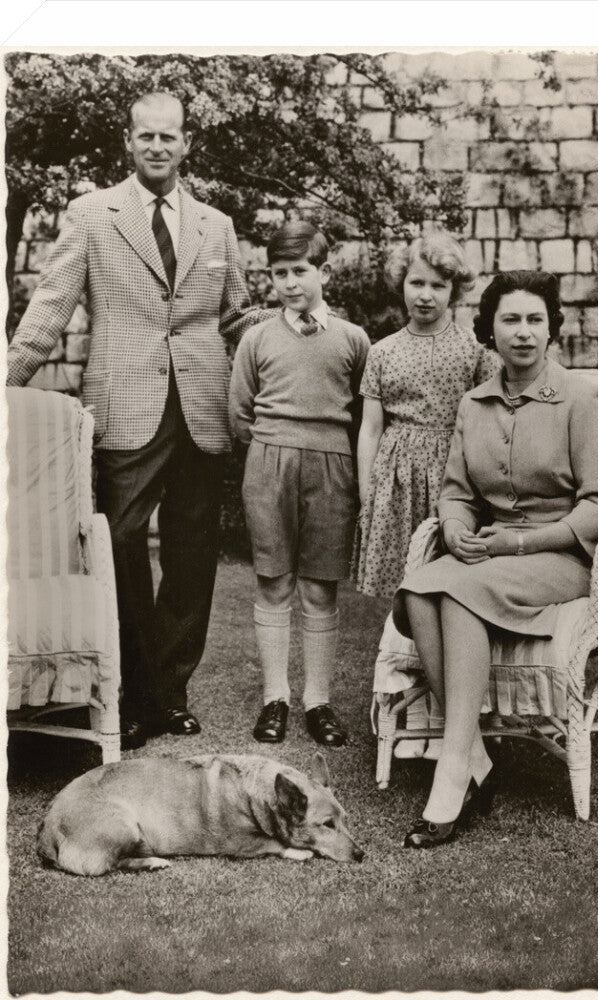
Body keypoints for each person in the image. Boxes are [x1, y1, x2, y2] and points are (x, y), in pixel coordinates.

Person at [6, 91, 272, 750]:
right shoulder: (93, 215)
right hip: (123, 404)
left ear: (187, 145)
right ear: (129, 142)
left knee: (191, 556)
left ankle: (170, 693)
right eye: (146, 136)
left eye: (170, 137)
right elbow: (51, 305)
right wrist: (7, 378)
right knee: (118, 541)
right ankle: (131, 689)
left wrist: (289, 327)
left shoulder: (216, 224)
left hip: (202, 408)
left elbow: (235, 316)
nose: (158, 146)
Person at [392, 270, 598, 848]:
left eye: (535, 320)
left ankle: (451, 774)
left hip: (562, 555)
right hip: (491, 553)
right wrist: (456, 528)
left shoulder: (580, 399)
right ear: (489, 331)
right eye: (510, 320)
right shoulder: (474, 404)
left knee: (461, 592)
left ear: (552, 330)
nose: (523, 333)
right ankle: (477, 759)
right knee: (420, 589)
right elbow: (456, 492)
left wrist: (517, 543)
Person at [354, 234, 498, 757]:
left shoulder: (473, 352)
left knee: (449, 593)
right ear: (402, 286)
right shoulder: (382, 351)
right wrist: (369, 491)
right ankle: (411, 710)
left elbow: (485, 422)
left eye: (438, 285)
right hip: (396, 478)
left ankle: (451, 718)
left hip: (453, 479)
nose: (426, 295)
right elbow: (370, 428)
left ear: (454, 290)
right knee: (405, 597)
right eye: (417, 282)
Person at [229, 221, 370, 748]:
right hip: (270, 463)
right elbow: (240, 412)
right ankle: (275, 697)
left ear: (324, 272)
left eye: (300, 271)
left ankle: (318, 700)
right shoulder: (257, 337)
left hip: (333, 465)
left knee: (319, 584)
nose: (289, 282)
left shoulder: (353, 339)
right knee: (273, 580)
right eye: (279, 272)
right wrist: (273, 449)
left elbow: (365, 412)